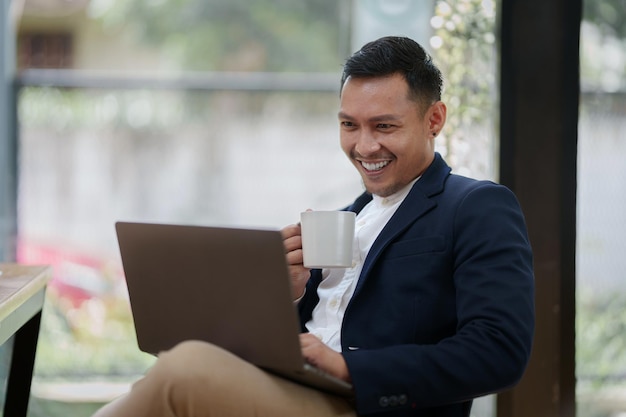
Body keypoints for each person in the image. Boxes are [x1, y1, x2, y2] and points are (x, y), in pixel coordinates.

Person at [92, 36, 534, 417]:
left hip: (365, 404)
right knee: (171, 371)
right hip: (297, 389)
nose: (364, 146)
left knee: (183, 370)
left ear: (433, 119)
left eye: (384, 126)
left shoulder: (476, 206)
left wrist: (348, 369)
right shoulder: (349, 215)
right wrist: (286, 297)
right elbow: (316, 330)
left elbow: (498, 351)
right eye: (349, 125)